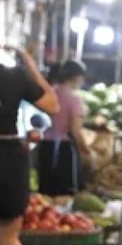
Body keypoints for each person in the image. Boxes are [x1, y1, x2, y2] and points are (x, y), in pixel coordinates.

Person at [0, 45, 59, 245]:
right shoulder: (14, 76)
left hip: (10, 154)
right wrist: (30, 64)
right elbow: (52, 105)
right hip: (9, 159)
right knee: (8, 240)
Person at [37, 60, 91, 201]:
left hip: (44, 147)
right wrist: (86, 150)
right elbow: (74, 131)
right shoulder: (74, 100)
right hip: (64, 150)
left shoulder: (49, 94)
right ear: (77, 77)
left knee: (45, 193)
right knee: (63, 194)